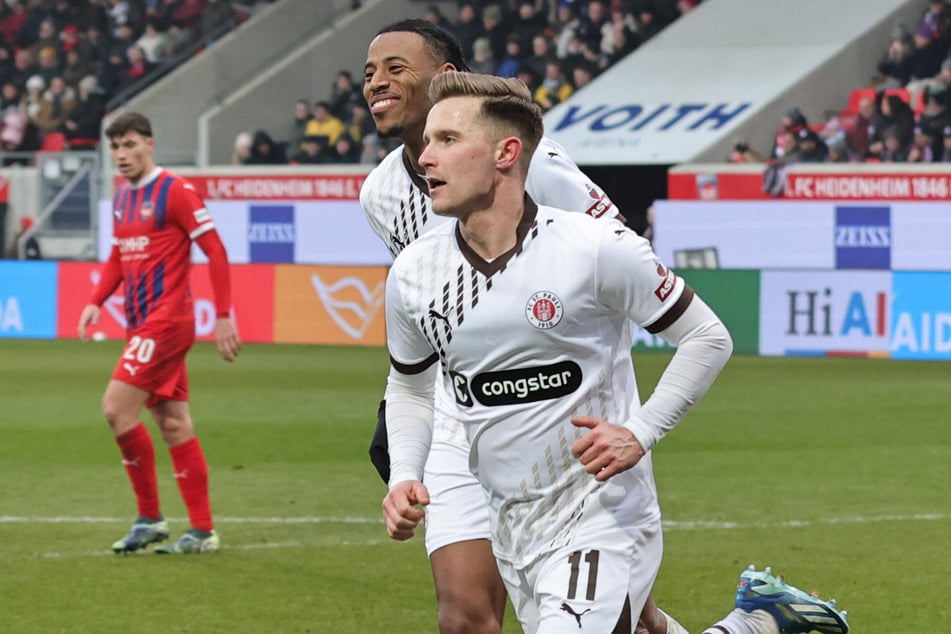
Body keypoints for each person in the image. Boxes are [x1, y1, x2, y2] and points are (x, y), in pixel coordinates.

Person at [381, 70, 848, 634]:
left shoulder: (593, 247)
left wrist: (641, 431)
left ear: (506, 153)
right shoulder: (414, 273)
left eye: (447, 140)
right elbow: (408, 384)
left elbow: (707, 337)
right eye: (428, 141)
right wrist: (404, 472)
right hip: (514, 524)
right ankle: (757, 626)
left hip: (604, 514)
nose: (425, 157)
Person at [361, 18, 698, 634]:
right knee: (464, 617)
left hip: (564, 413)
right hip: (462, 415)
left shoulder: (532, 165)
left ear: (446, 80)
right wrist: (409, 436)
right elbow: (426, 317)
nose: (376, 82)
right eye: (369, 73)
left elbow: (616, 257)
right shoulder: (380, 193)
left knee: (595, 601)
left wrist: (612, 400)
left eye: (394, 68)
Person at [77, 111, 241, 555]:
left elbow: (215, 248)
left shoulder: (175, 191)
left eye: (129, 144)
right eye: (115, 147)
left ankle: (150, 517)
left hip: (167, 322)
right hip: (141, 323)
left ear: (149, 144)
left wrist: (223, 314)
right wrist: (95, 302)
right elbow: (116, 256)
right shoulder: (122, 198)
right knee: (172, 422)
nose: (121, 155)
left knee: (116, 409)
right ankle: (202, 531)